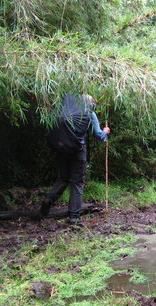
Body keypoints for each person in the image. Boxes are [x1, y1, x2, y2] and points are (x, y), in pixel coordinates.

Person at [40, 93, 110, 223]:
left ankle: (48, 200)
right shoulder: (89, 113)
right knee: (77, 182)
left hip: (61, 149)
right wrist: (105, 132)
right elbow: (98, 135)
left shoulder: (63, 111)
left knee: (63, 177)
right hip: (78, 151)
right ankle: (74, 216)